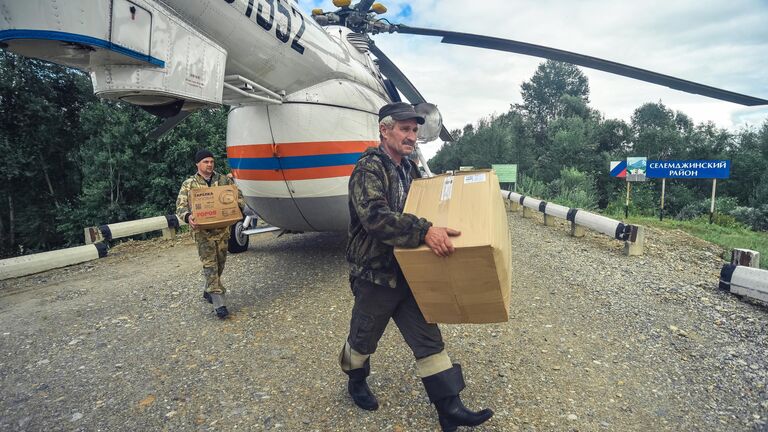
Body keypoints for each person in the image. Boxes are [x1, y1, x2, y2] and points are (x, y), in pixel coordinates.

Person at [339, 102, 494, 431]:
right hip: (374, 275)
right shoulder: (368, 169)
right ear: (385, 130)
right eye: (405, 129)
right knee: (362, 341)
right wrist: (424, 230)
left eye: (415, 130)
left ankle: (449, 409)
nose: (412, 136)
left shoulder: (409, 170)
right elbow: (375, 219)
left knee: (428, 340)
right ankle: (355, 380)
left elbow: (428, 206)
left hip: (408, 272)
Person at [176, 149, 245, 319]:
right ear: (198, 164)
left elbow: (239, 199)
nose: (209, 164)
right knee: (210, 264)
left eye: (211, 162)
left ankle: (208, 288)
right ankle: (219, 303)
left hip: (222, 232)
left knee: (220, 263)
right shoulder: (189, 184)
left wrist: (237, 207)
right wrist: (188, 216)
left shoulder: (224, 180)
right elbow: (180, 207)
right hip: (203, 233)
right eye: (206, 162)